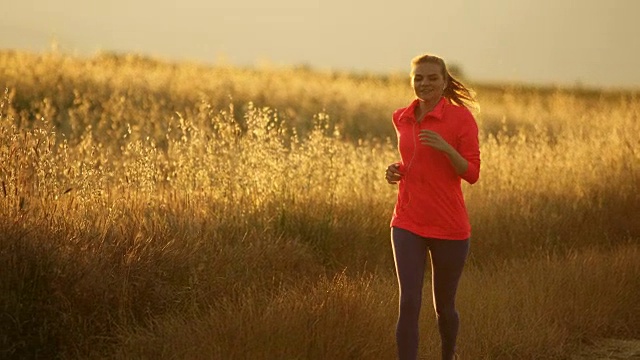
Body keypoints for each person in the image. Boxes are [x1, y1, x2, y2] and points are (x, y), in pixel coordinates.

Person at [385, 54, 480, 360]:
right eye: (418, 78)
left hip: (449, 226)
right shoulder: (401, 117)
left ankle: (448, 355)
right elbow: (413, 161)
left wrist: (446, 148)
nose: (424, 83)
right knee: (409, 301)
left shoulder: (461, 118)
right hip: (407, 221)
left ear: (444, 81)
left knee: (445, 307)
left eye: (431, 78)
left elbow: (472, 173)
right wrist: (395, 171)